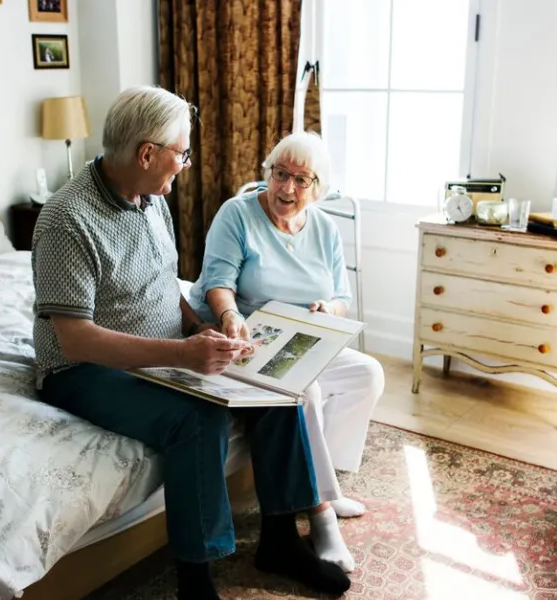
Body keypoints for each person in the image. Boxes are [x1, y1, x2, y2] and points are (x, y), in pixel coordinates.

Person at [31, 86, 351, 600]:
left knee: (273, 385)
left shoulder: (151, 198)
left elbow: (162, 284)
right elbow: (74, 340)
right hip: (83, 371)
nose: (184, 164)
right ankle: (195, 581)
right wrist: (180, 353)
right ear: (146, 154)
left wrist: (197, 327)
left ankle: (279, 539)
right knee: (196, 420)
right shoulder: (67, 219)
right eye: (181, 153)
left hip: (160, 348)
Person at [186, 130, 386, 573]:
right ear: (268, 173)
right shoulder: (236, 214)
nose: (287, 188)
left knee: (368, 374)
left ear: (318, 188)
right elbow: (217, 283)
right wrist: (230, 318)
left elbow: (341, 296)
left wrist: (326, 308)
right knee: (305, 393)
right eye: (280, 174)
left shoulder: (325, 228)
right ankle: (318, 510)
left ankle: (326, 477)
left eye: (301, 179)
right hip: (249, 341)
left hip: (303, 339)